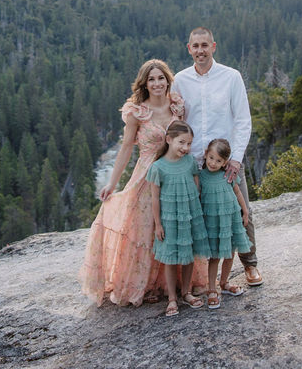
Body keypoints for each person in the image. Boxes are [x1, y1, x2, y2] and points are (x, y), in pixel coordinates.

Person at [79, 59, 185, 306]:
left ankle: (174, 282)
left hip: (175, 174)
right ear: (144, 84)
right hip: (147, 176)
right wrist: (112, 183)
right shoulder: (137, 111)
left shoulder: (177, 106)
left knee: (173, 227)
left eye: (161, 78)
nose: (157, 83)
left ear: (168, 80)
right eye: (151, 79)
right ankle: (145, 283)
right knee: (145, 230)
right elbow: (127, 147)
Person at [174, 26, 262, 287]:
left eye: (205, 45)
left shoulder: (231, 77)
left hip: (225, 160)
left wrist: (235, 159)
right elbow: (177, 120)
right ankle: (193, 276)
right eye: (195, 46)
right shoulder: (180, 80)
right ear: (189, 49)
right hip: (194, 163)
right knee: (193, 216)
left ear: (214, 46)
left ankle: (251, 264)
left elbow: (243, 121)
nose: (200, 50)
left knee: (240, 211)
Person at [147, 120, 210, 316]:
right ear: (169, 140)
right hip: (170, 219)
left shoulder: (190, 162)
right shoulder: (158, 167)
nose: (186, 147)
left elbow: (196, 186)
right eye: (181, 142)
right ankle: (172, 298)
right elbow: (155, 199)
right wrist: (158, 224)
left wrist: (197, 211)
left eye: (189, 143)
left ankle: (186, 293)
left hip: (190, 215)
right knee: (171, 259)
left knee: (189, 254)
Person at [199, 139, 251, 309]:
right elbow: (198, 198)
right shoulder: (201, 177)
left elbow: (237, 192)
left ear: (225, 162)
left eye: (219, 160)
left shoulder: (228, 174)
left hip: (230, 218)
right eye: (211, 158)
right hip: (213, 221)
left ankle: (224, 283)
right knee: (214, 256)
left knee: (230, 253)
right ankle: (212, 289)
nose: (214, 163)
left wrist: (245, 211)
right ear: (206, 154)